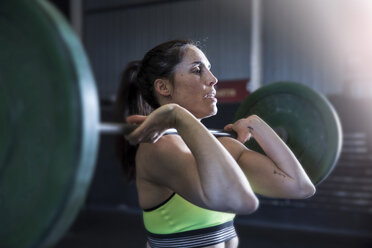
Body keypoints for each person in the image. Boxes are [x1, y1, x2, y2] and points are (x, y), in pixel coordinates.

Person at [114, 40, 315, 248]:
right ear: (164, 87)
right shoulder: (159, 147)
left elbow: (300, 187)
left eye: (209, 69)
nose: (213, 79)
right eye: (197, 70)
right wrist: (179, 116)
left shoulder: (225, 147)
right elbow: (244, 201)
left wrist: (256, 124)